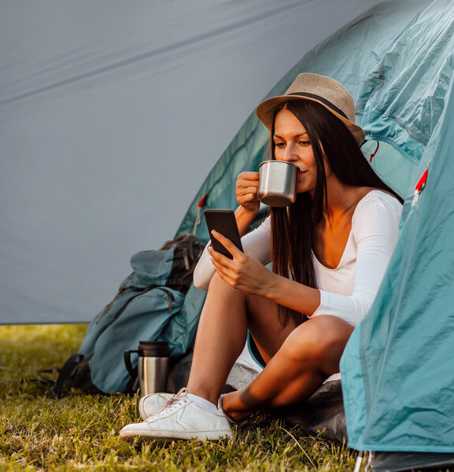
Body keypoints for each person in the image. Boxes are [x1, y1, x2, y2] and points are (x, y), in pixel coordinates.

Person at [119, 73, 403, 441]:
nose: (288, 156)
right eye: (280, 143)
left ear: (333, 145)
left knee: (319, 331)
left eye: (303, 142)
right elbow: (206, 276)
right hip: (299, 359)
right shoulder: (293, 213)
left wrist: (269, 283)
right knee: (231, 271)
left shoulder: (375, 207)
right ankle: (200, 404)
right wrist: (245, 211)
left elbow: (368, 312)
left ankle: (227, 407)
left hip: (358, 352)